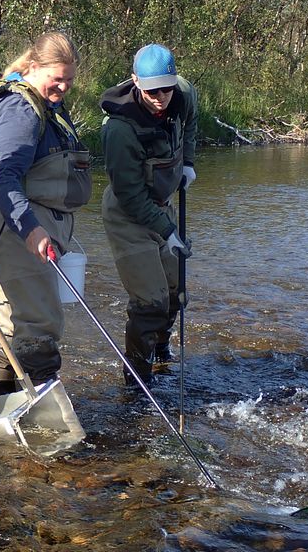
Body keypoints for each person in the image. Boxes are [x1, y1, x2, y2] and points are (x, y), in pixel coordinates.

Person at [0, 32, 92, 396]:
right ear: (34, 67)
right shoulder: (20, 111)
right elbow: (5, 177)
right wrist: (30, 229)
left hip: (26, 223)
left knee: (13, 315)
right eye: (57, 78)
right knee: (40, 320)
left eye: (70, 80)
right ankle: (47, 419)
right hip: (14, 225)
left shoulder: (46, 103)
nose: (64, 87)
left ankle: (0, 402)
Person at [100, 43, 198, 385]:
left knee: (176, 292)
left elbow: (190, 124)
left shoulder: (182, 94)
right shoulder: (119, 130)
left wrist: (187, 162)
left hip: (161, 206)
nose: (161, 97)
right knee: (150, 302)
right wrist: (168, 231)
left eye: (167, 88)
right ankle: (138, 381)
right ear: (135, 82)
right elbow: (130, 196)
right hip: (128, 214)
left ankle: (161, 353)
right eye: (153, 90)